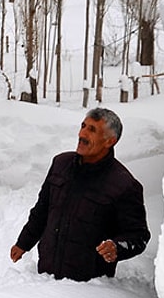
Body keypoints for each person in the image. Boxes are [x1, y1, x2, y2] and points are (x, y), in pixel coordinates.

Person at [10, 108, 149, 281]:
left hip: (88, 287)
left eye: (92, 130)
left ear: (109, 141)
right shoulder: (60, 164)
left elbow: (139, 236)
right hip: (45, 278)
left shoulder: (124, 185)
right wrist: (24, 242)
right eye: (83, 126)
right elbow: (42, 210)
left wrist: (117, 248)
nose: (82, 134)